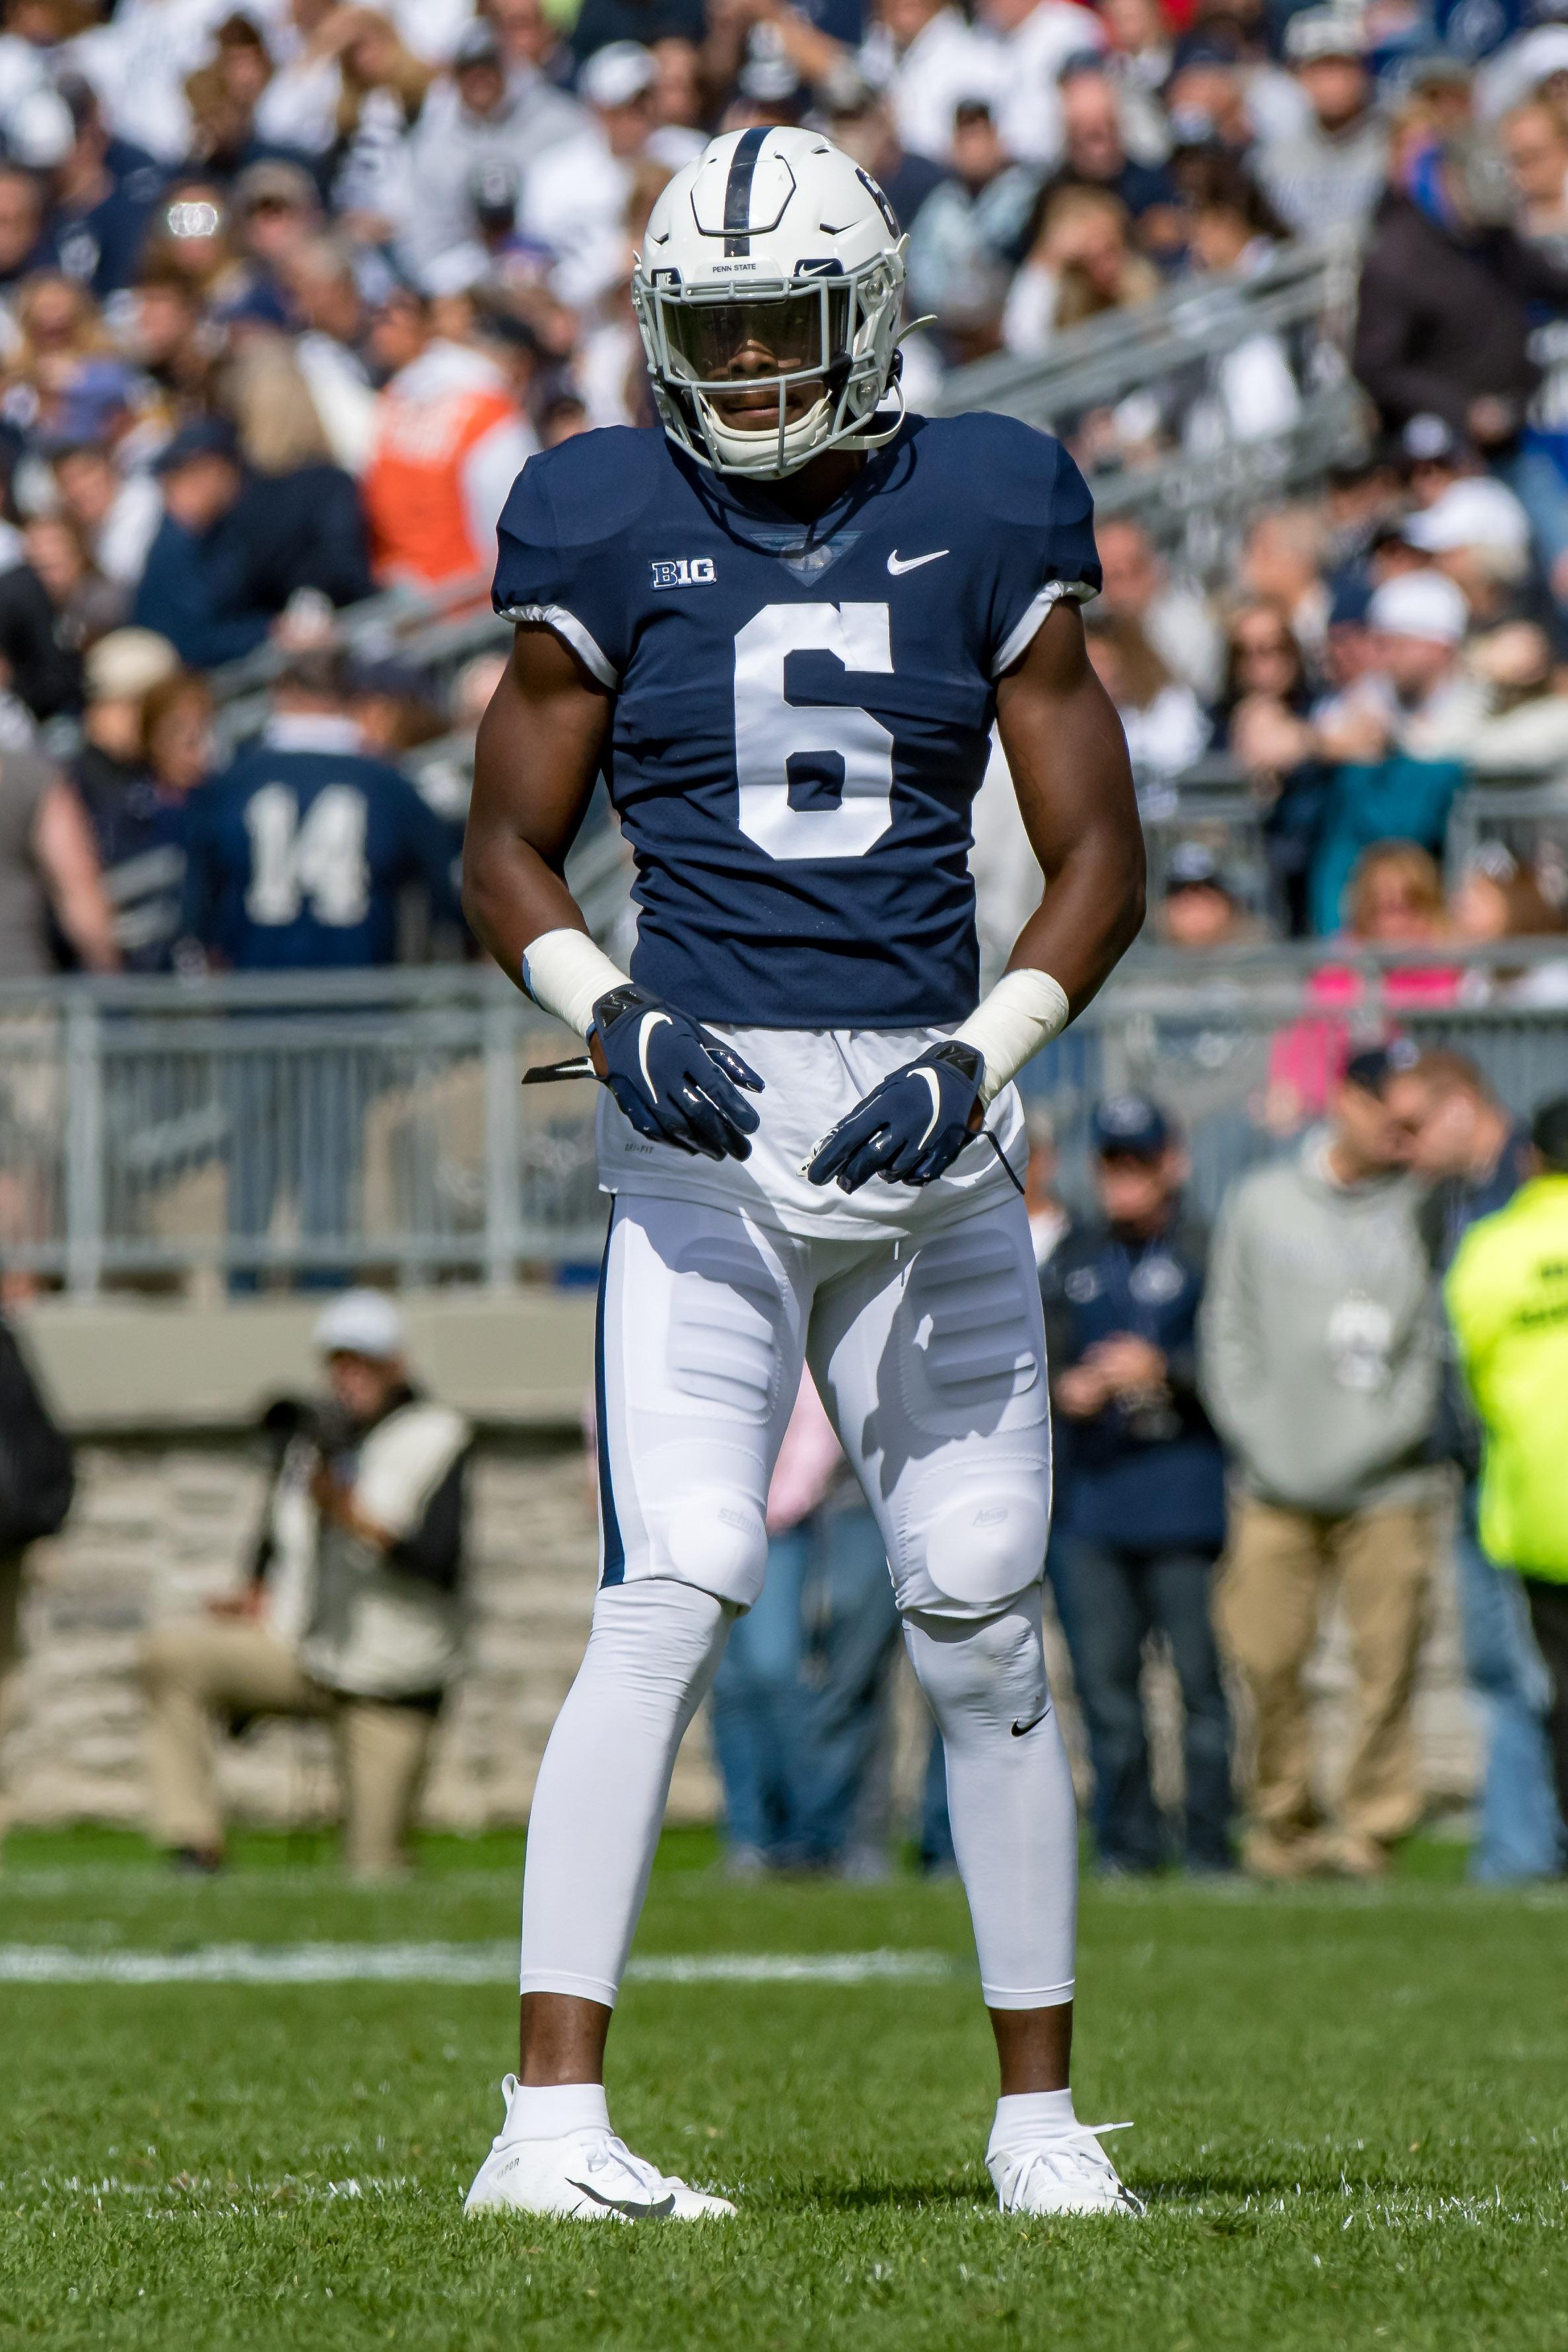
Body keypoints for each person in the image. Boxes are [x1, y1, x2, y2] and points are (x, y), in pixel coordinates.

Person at [460, 126, 1145, 2221]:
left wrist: (987, 1054)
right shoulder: (593, 511)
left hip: (927, 1114)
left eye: (782, 332)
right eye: (712, 336)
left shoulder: (986, 498)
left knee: (980, 1610)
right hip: (700, 1135)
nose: (748, 375)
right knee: (666, 1581)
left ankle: (1034, 2116)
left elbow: (1101, 853)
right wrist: (608, 1000)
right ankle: (547, 2122)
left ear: (867, 320)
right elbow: (499, 841)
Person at [1201, 1048, 1445, 1880]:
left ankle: (1370, 1831)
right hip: (1272, 1482)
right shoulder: (1262, 1201)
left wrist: (1380, 1437)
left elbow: (1426, 1354)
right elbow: (1225, 1333)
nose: (1407, 1138)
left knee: (1386, 1665)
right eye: (1396, 1118)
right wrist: (1261, 1438)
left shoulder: (1426, 1206)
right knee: (1266, 1658)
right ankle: (1283, 1826)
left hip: (1390, 1483)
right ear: (1345, 1101)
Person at [139, 1291, 472, 1878]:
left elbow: (439, 1564)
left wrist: (347, 1510)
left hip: (389, 1680)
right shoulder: (310, 1444)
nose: (348, 1377)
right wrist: (251, 1593)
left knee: (375, 1868)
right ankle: (194, 1843)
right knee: (173, 1655)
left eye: (363, 1362)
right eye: (338, 1362)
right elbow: (269, 1544)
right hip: (304, 1652)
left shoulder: (439, 1438)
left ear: (396, 1366)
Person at [182, 649, 459, 1273]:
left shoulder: (237, 779)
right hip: (350, 997)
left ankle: (247, 1287)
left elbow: (196, 906)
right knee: (331, 1156)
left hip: (258, 997)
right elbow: (445, 895)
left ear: (282, 692)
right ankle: (321, 1287)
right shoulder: (386, 784)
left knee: (252, 1156)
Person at [1384, 1047, 1561, 1881]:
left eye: (1415, 1123)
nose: (1401, 1143)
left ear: (1464, 1105)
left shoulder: (1523, 1203)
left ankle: (1521, 1848)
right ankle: (1518, 1844)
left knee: (1527, 1672)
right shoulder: (1439, 1204)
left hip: (1528, 1473)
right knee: (1500, 1671)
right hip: (1483, 1477)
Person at [1042, 1095, 1231, 1875]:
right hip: (1093, 1503)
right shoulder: (1073, 1257)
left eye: (1138, 1164)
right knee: (1107, 1693)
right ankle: (1125, 1845)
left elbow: (1238, 1367)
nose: (1123, 1181)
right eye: (1110, 1165)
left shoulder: (1205, 1249)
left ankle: (1210, 1847)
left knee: (1197, 1689)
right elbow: (1035, 1360)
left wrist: (1166, 1374)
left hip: (1181, 1496)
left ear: (1171, 1163)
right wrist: (1067, 1386)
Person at [1447, 1095, 1568, 1844]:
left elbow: (1465, 1376)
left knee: (1555, 1684)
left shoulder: (1492, 1247)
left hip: (1535, 1509)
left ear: (1530, 1158)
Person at [707, 1367, 836, 1876]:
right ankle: (747, 1837)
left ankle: (804, 1836)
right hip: (703, 1534)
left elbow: (816, 1425)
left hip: (776, 1531)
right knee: (730, 1690)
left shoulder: (786, 1325)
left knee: (776, 1675)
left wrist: (774, 1508)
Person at [132, 417, 372, 669]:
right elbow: (191, 639)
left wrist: (282, 624)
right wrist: (270, 630)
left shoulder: (229, 531)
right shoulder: (181, 545)